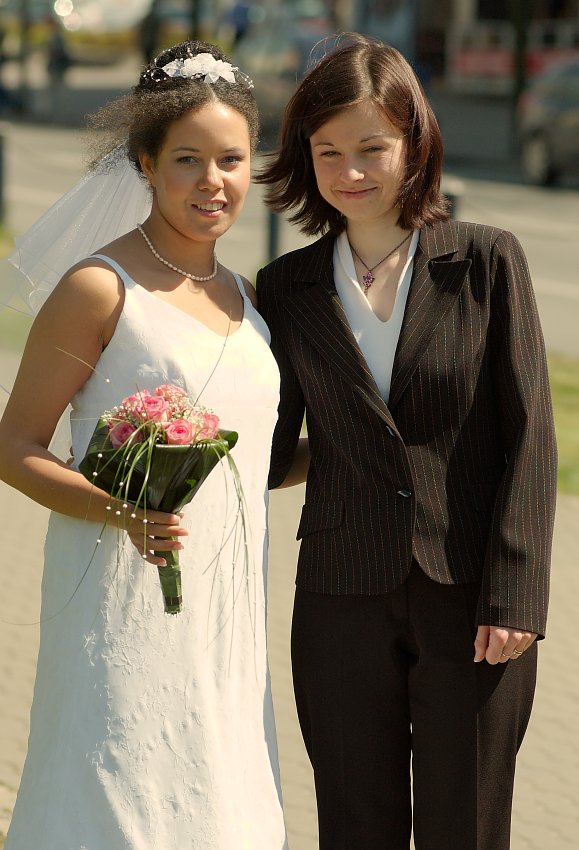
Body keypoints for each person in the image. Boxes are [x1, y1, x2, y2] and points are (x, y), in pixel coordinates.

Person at [255, 33, 557, 850]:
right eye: (326, 151)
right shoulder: (286, 287)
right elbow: (270, 449)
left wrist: (515, 597)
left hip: (471, 597)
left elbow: (530, 437)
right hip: (339, 595)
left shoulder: (487, 261)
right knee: (353, 824)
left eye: (371, 148)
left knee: (466, 825)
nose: (348, 171)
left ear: (413, 143)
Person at [0, 40, 288, 849]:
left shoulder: (251, 302)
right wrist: (122, 511)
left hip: (227, 618)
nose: (212, 181)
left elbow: (252, 465)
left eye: (230, 160)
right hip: (117, 602)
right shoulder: (98, 288)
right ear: (146, 163)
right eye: (187, 160)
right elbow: (15, 445)